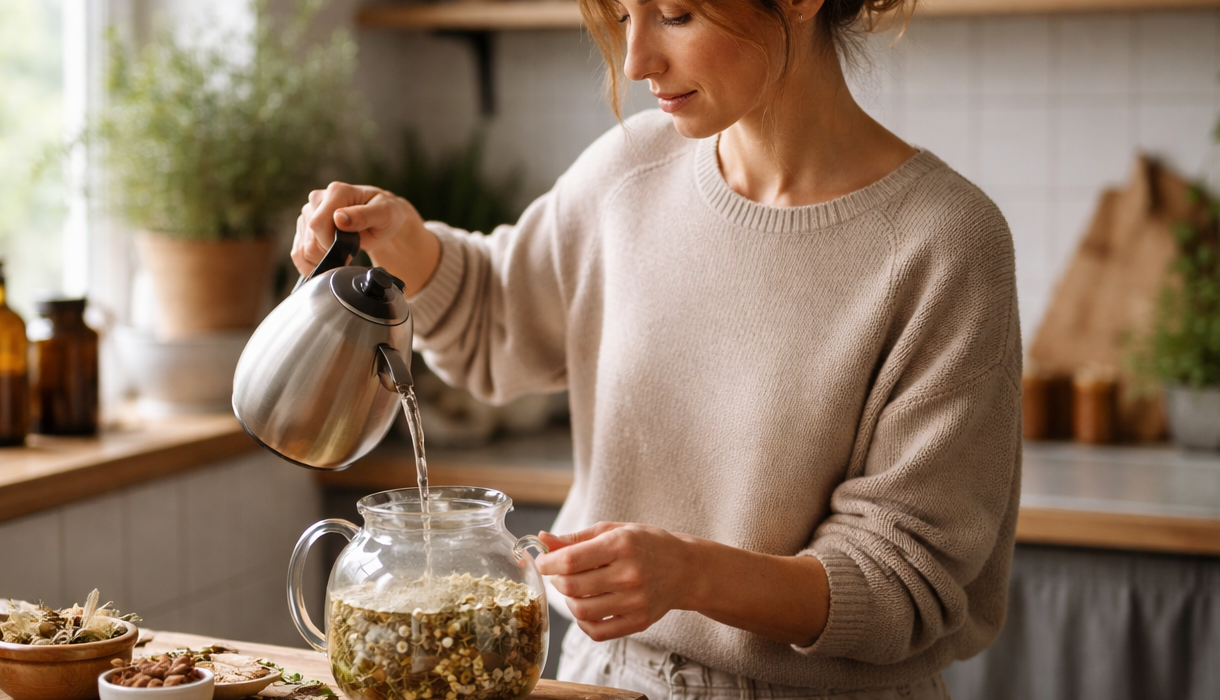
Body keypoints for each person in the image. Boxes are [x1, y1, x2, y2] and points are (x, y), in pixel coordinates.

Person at [291, 0, 1020, 697]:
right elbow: (499, 312)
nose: (638, 60)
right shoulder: (630, 170)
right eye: (621, 17)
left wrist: (693, 574)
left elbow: (906, 579)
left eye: (676, 15)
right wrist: (407, 247)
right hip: (598, 679)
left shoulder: (944, 242)